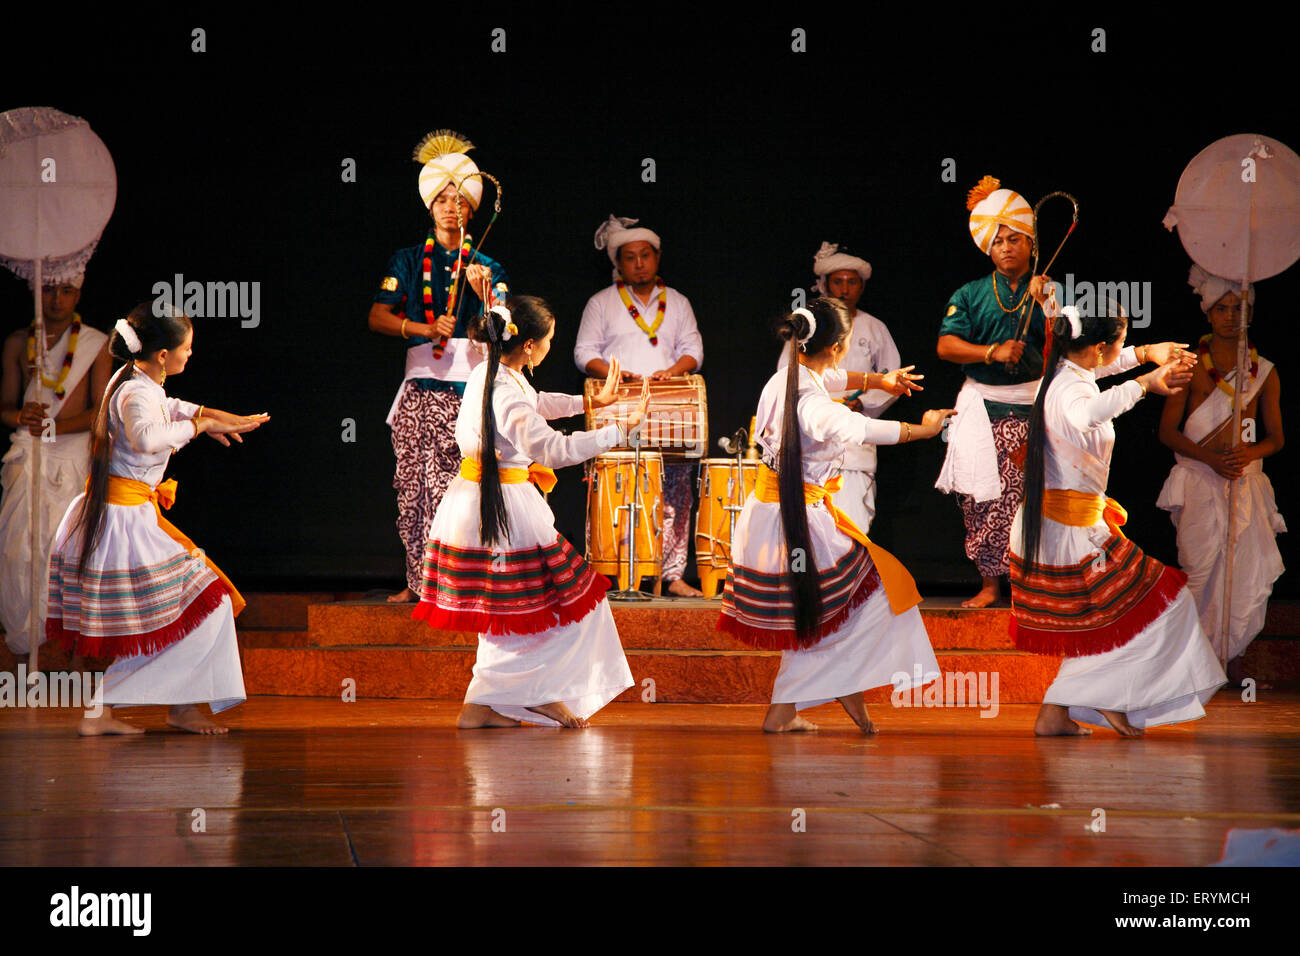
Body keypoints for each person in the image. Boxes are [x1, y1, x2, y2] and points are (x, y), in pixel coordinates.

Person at [718, 296, 952, 733]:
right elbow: (860, 428)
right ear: (839, 344)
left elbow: (834, 377)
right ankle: (800, 706)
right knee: (868, 601)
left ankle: (788, 710)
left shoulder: (787, 377)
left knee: (825, 611)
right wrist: (925, 429)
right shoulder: (815, 406)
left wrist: (880, 381)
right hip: (795, 523)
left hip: (778, 516)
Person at [414, 296, 648, 729]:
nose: (550, 347)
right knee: (559, 606)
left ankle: (486, 705)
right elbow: (552, 449)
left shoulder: (494, 373)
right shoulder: (503, 390)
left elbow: (537, 403)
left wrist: (591, 400)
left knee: (506, 610)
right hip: (501, 508)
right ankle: (530, 696)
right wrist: (618, 430)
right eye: (549, 340)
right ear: (527, 346)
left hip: (485, 502)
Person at [46, 302, 269, 735]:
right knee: (209, 604)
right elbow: (145, 437)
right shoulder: (134, 391)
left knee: (193, 609)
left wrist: (213, 418)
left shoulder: (134, 379)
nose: (190, 355)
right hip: (124, 522)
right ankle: (114, 707)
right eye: (186, 348)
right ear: (163, 354)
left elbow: (172, 405)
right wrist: (201, 427)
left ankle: (171, 705)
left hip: (129, 515)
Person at [1010, 304, 1225, 737]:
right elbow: (1086, 413)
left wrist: (1147, 352)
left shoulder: (1068, 372)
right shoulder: (1070, 391)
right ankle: (1100, 698)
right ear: (1101, 347)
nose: (1122, 350)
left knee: (1106, 619)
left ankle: (1057, 711)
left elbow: (1102, 373)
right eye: (1121, 343)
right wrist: (1145, 383)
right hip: (1070, 530)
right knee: (1158, 607)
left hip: (1072, 524)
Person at [368, 130, 508, 604]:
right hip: (419, 387)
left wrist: (486, 295)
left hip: (468, 390)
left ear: (472, 209)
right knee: (414, 483)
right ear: (430, 207)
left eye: (460, 200)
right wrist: (424, 329)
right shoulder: (407, 261)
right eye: (442, 200)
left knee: (460, 487)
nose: (451, 207)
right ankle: (418, 582)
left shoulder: (488, 265)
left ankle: (462, 583)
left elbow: (503, 327)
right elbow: (377, 317)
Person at [1157, 266, 1284, 685]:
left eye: (1239, 308)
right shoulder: (1189, 367)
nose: (1232, 316)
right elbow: (1167, 433)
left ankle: (1229, 662)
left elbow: (1276, 439)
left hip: (1245, 482)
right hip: (1199, 480)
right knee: (1199, 572)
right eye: (1223, 309)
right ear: (1208, 314)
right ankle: (1187, 664)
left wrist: (1248, 455)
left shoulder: (1264, 371)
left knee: (1244, 576)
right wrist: (1211, 460)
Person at [936, 176, 1056, 608]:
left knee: (1034, 499)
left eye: (1016, 238)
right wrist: (991, 351)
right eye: (999, 240)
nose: (1007, 246)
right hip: (981, 409)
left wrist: (1049, 307)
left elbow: (1073, 347)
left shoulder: (1048, 291)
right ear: (989, 247)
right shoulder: (969, 295)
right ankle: (990, 585)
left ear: (1030, 244)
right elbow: (945, 346)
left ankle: (1033, 583)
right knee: (982, 497)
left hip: (1035, 409)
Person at [574, 215, 704, 596]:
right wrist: (619, 373)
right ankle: (611, 571)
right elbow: (584, 353)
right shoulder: (601, 303)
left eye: (645, 255)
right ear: (619, 262)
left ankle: (673, 575)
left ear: (657, 256)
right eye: (630, 257)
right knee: (615, 489)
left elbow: (693, 350)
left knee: (675, 489)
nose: (639, 264)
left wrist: (672, 370)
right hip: (619, 405)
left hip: (669, 405)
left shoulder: (678, 302)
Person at [1, 271, 109, 666]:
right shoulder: (17, 342)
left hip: (70, 453)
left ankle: (74, 659)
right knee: (18, 551)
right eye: (49, 289)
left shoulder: (97, 344)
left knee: (64, 552)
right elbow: (6, 407)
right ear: (35, 290)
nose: (57, 300)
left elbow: (99, 413)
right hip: (28, 452)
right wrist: (21, 417)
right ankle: (23, 652)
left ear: (79, 291)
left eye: (66, 290)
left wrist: (55, 426)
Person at [777, 242, 903, 532]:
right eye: (838, 281)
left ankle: (848, 576)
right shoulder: (808, 326)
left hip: (855, 437)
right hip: (813, 435)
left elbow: (890, 375)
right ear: (825, 284)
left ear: (861, 286)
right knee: (813, 527)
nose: (844, 289)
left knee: (852, 524)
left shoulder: (875, 328)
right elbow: (787, 374)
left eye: (851, 282)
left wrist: (866, 402)